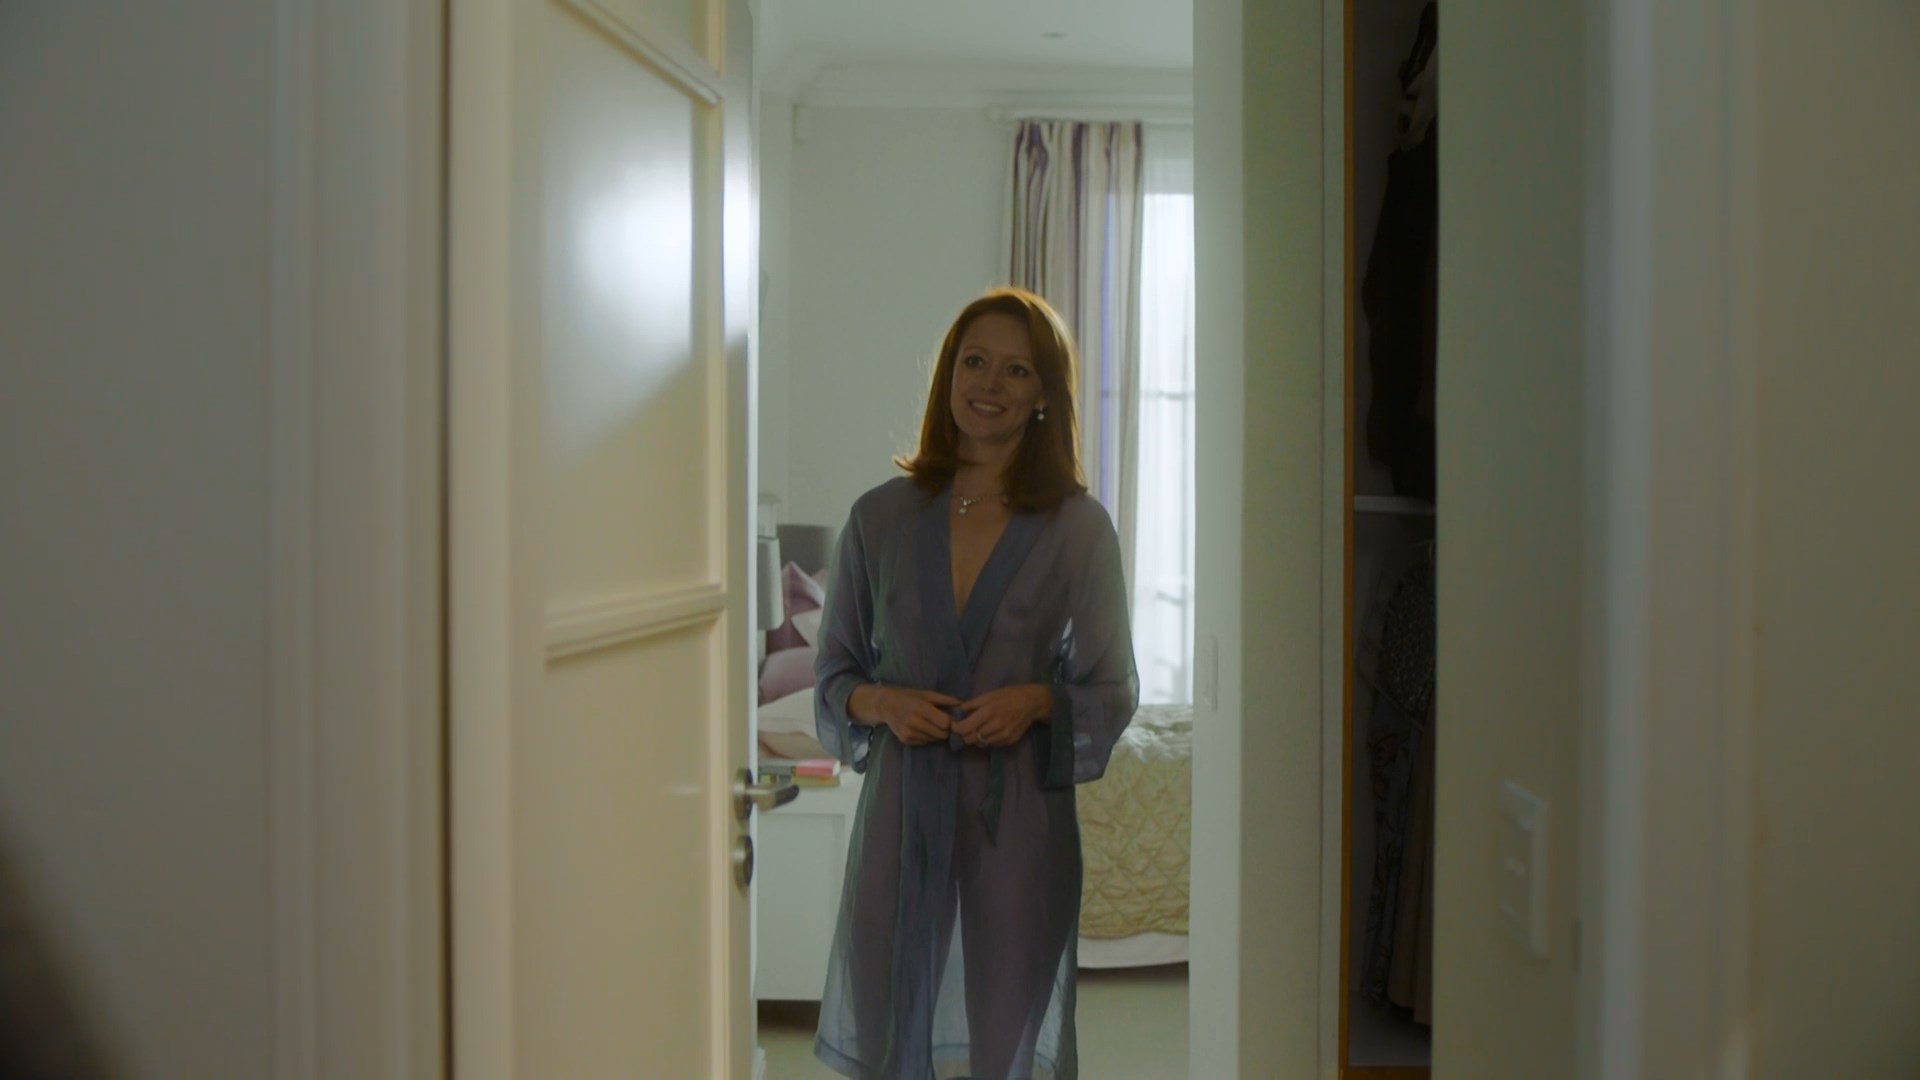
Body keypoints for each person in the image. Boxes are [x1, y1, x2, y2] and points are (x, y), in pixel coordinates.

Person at [811, 287, 1139, 1079]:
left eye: (1016, 370)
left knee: (1005, 1039)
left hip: (1018, 814)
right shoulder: (879, 518)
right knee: (886, 1019)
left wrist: (1037, 701)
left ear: (1044, 394)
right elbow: (834, 677)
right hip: (900, 812)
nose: (990, 383)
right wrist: (883, 702)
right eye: (975, 361)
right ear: (948, 374)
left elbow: (1112, 686)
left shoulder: (1078, 528)